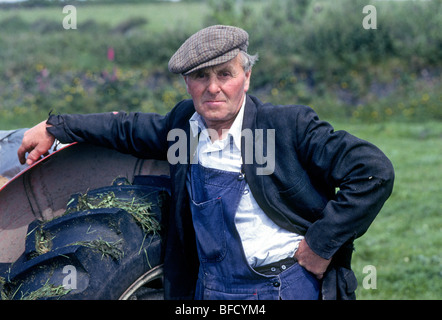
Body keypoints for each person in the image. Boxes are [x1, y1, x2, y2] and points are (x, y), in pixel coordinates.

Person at [17, 25, 394, 300]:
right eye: (200, 76)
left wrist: (320, 243)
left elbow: (373, 172)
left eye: (225, 74)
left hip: (282, 286)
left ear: (246, 77)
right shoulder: (185, 126)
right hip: (210, 290)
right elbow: (128, 128)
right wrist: (57, 126)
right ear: (187, 83)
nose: (213, 87)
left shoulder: (287, 126)